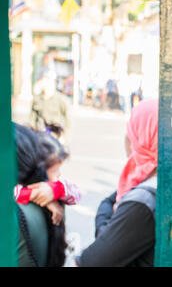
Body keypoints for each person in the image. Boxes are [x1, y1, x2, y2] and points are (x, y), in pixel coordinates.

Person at [76, 99, 158, 267]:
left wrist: (104, 231)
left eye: (132, 130)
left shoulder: (142, 200)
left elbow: (90, 262)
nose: (127, 137)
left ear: (144, 136)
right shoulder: (158, 179)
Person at [14, 124, 67, 267]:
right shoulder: (51, 201)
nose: (59, 176)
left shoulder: (17, 214)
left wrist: (54, 190)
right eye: (55, 171)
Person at [14, 132, 81, 225]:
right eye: (54, 170)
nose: (59, 174)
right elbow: (12, 193)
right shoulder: (19, 183)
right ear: (38, 169)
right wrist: (35, 194)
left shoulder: (55, 185)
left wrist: (56, 190)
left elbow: (76, 194)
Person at [30, 76, 72, 143]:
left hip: (55, 135)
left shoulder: (61, 99)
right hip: (39, 135)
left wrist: (64, 137)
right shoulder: (37, 99)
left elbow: (69, 120)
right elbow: (32, 120)